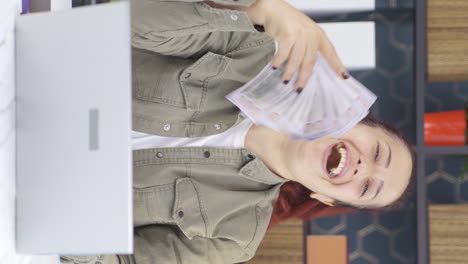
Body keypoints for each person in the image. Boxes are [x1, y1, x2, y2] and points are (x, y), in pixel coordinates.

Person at [61, 0, 414, 263]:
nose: (362, 167)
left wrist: (68, 221)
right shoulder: (249, 52)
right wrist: (261, 10)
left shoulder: (235, 237)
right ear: (356, 121)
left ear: (325, 200)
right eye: (378, 153)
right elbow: (120, 23)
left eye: (367, 186)